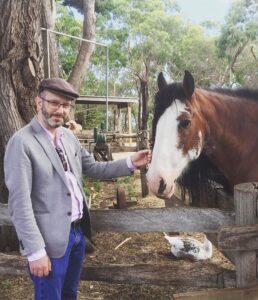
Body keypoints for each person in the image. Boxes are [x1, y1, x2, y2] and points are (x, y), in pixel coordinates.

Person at [4, 78, 151, 300]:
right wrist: (35, 251)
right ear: (38, 102)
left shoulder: (68, 137)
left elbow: (92, 167)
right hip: (48, 243)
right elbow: (19, 203)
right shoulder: (22, 142)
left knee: (69, 294)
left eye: (65, 105)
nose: (60, 110)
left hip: (76, 236)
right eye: (54, 103)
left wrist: (130, 162)